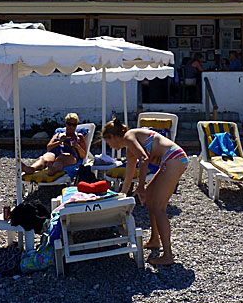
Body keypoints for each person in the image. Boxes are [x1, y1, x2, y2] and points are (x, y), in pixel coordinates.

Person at [102, 118, 188, 266]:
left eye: (108, 142)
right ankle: (155, 240)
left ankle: (168, 255)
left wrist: (140, 187)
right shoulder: (130, 148)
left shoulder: (129, 136)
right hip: (172, 159)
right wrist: (121, 195)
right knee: (148, 198)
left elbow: (143, 159)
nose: (109, 146)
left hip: (174, 159)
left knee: (159, 208)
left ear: (113, 137)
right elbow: (129, 175)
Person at [21, 112, 88, 176]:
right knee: (44, 157)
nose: (71, 127)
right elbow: (49, 147)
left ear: (76, 125)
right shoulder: (58, 134)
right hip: (55, 152)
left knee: (61, 158)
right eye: (69, 124)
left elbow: (83, 155)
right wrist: (59, 142)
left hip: (70, 155)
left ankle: (53, 169)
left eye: (74, 125)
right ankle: (31, 169)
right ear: (65, 124)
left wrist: (76, 146)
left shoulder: (79, 137)